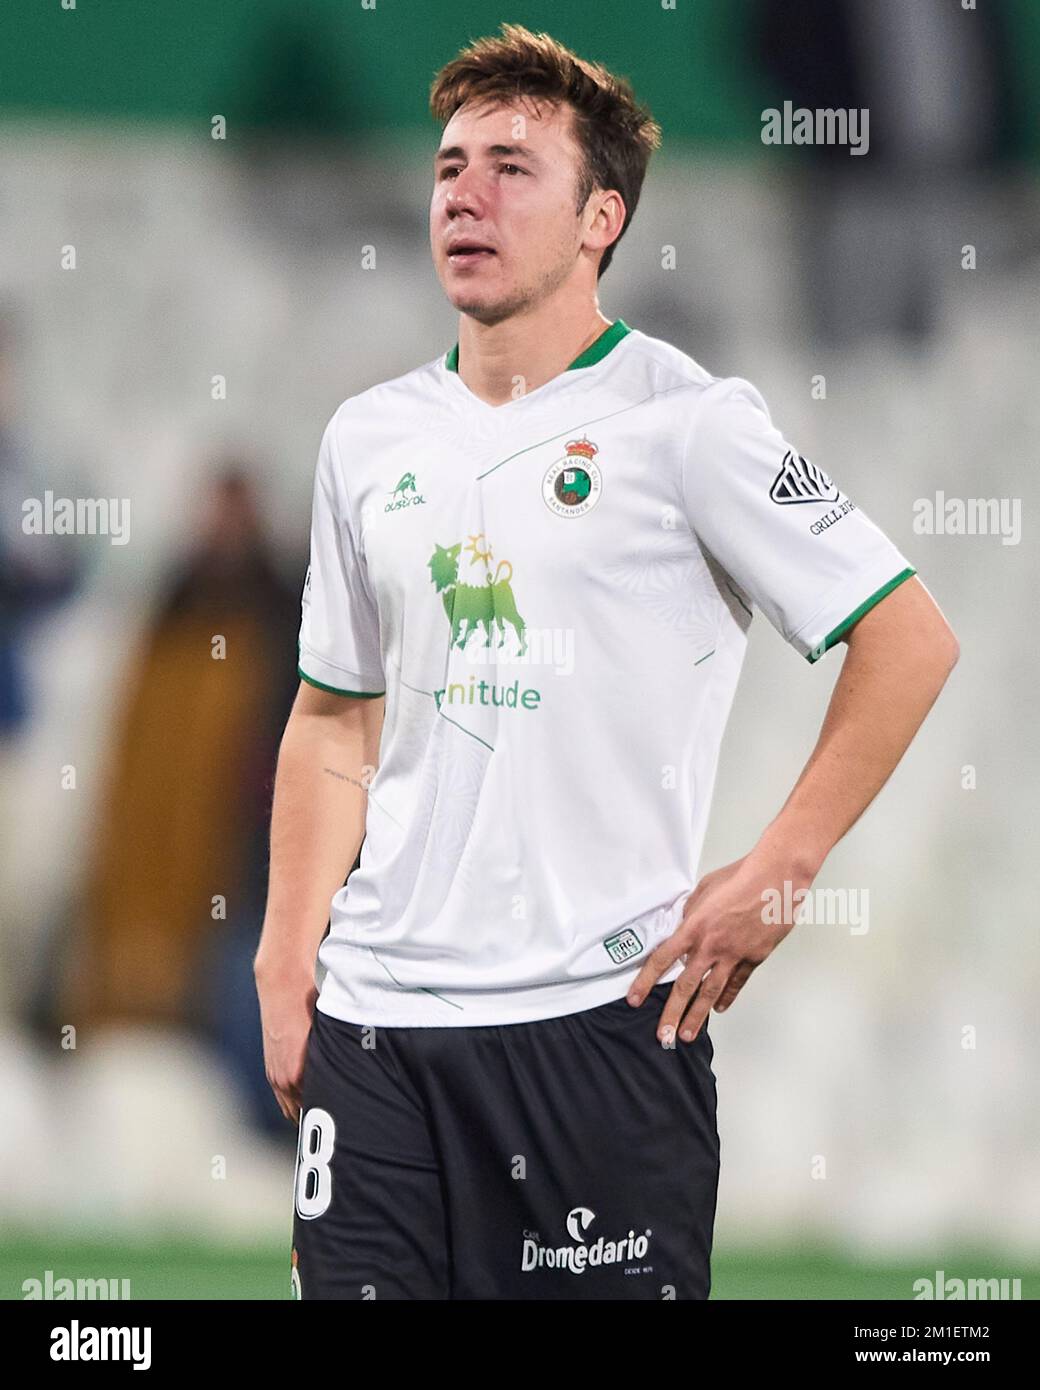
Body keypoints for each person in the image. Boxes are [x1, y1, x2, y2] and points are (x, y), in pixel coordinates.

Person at [254, 23, 959, 1300]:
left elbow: (907, 637)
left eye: (512, 167)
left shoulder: (688, 425)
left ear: (600, 219)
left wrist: (781, 864)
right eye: (449, 165)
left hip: (597, 1034)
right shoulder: (366, 439)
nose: (464, 194)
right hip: (377, 1034)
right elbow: (329, 719)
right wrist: (285, 949)